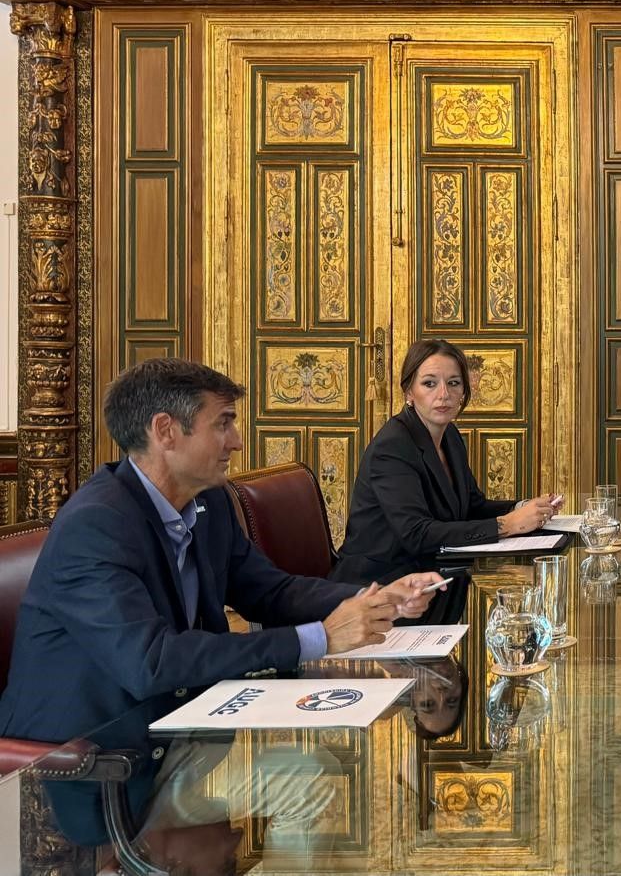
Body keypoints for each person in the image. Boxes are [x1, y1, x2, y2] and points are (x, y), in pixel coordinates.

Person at [0, 358, 444, 847]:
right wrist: (319, 638)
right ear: (166, 431)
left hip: (182, 730)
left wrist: (374, 599)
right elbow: (152, 661)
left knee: (345, 759)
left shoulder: (206, 504)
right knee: (307, 777)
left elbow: (269, 591)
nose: (236, 441)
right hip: (98, 768)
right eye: (223, 423)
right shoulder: (96, 524)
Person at [334, 338, 560, 588]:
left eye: (453, 383)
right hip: (379, 587)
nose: (444, 394)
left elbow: (472, 507)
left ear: (463, 392)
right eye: (429, 383)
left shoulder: (450, 436)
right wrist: (507, 524)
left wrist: (525, 507)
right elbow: (416, 534)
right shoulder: (392, 446)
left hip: (435, 576)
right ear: (409, 392)